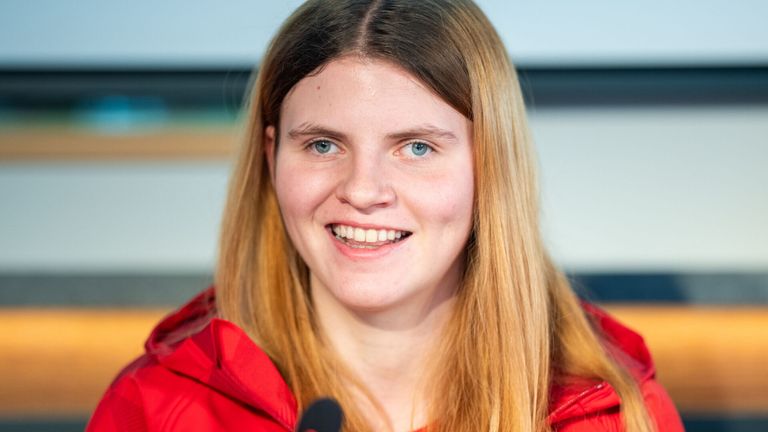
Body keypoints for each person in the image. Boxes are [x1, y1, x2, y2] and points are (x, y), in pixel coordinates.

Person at [87, 1, 684, 431]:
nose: (363, 190)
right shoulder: (155, 408)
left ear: (489, 166)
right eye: (323, 145)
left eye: (416, 147)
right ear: (271, 157)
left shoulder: (612, 414)